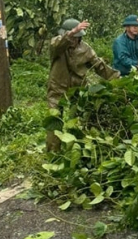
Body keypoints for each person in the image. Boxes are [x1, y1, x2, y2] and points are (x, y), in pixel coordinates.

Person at [47, 18, 119, 150]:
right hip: (57, 87)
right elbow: (58, 44)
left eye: (77, 38)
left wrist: (117, 78)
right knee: (54, 120)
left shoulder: (85, 49)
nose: (74, 41)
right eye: (72, 37)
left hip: (78, 88)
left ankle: (78, 149)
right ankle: (53, 152)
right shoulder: (56, 45)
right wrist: (73, 31)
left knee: (79, 119)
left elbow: (100, 66)